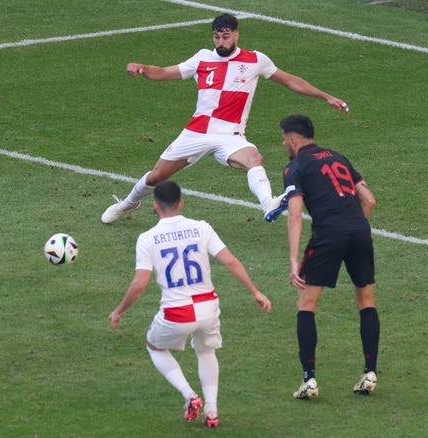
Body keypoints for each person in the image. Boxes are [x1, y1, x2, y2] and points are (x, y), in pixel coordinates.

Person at [101, 13, 349, 225]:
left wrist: (326, 96)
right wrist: (143, 68)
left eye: (226, 36)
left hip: (231, 135)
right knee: (156, 177)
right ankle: (128, 204)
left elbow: (290, 80)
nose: (221, 42)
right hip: (197, 132)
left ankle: (269, 204)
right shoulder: (202, 59)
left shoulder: (255, 60)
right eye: (217, 37)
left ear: (236, 35)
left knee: (254, 158)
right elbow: (165, 72)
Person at [108, 181, 272, 427]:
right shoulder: (201, 228)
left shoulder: (147, 238)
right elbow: (230, 261)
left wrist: (119, 310)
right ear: (181, 202)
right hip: (208, 307)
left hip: (177, 312)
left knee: (155, 347)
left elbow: (139, 283)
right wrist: (255, 291)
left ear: (155, 206)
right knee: (206, 351)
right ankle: (212, 411)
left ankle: (189, 395)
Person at [276, 114, 379, 399]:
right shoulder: (339, 157)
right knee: (366, 300)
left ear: (293, 139)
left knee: (306, 304)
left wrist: (294, 260)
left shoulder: (295, 166)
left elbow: (295, 214)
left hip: (328, 234)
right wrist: (353, 225)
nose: (284, 143)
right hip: (359, 230)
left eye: (284, 139)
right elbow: (369, 200)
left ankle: (309, 379)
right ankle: (370, 372)